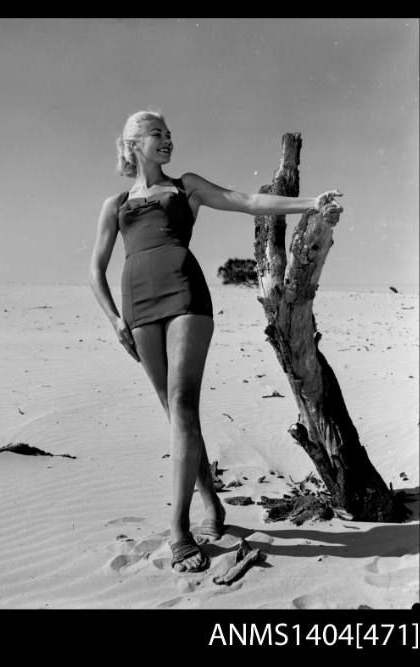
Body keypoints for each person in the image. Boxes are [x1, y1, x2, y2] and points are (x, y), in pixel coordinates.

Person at [89, 110, 343, 573]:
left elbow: (246, 200)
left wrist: (311, 204)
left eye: (169, 134)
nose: (167, 141)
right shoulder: (116, 203)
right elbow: (94, 271)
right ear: (133, 145)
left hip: (185, 295)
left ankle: (179, 529)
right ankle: (213, 507)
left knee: (183, 405)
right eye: (157, 135)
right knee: (175, 414)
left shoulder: (186, 186)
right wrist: (114, 321)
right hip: (138, 307)